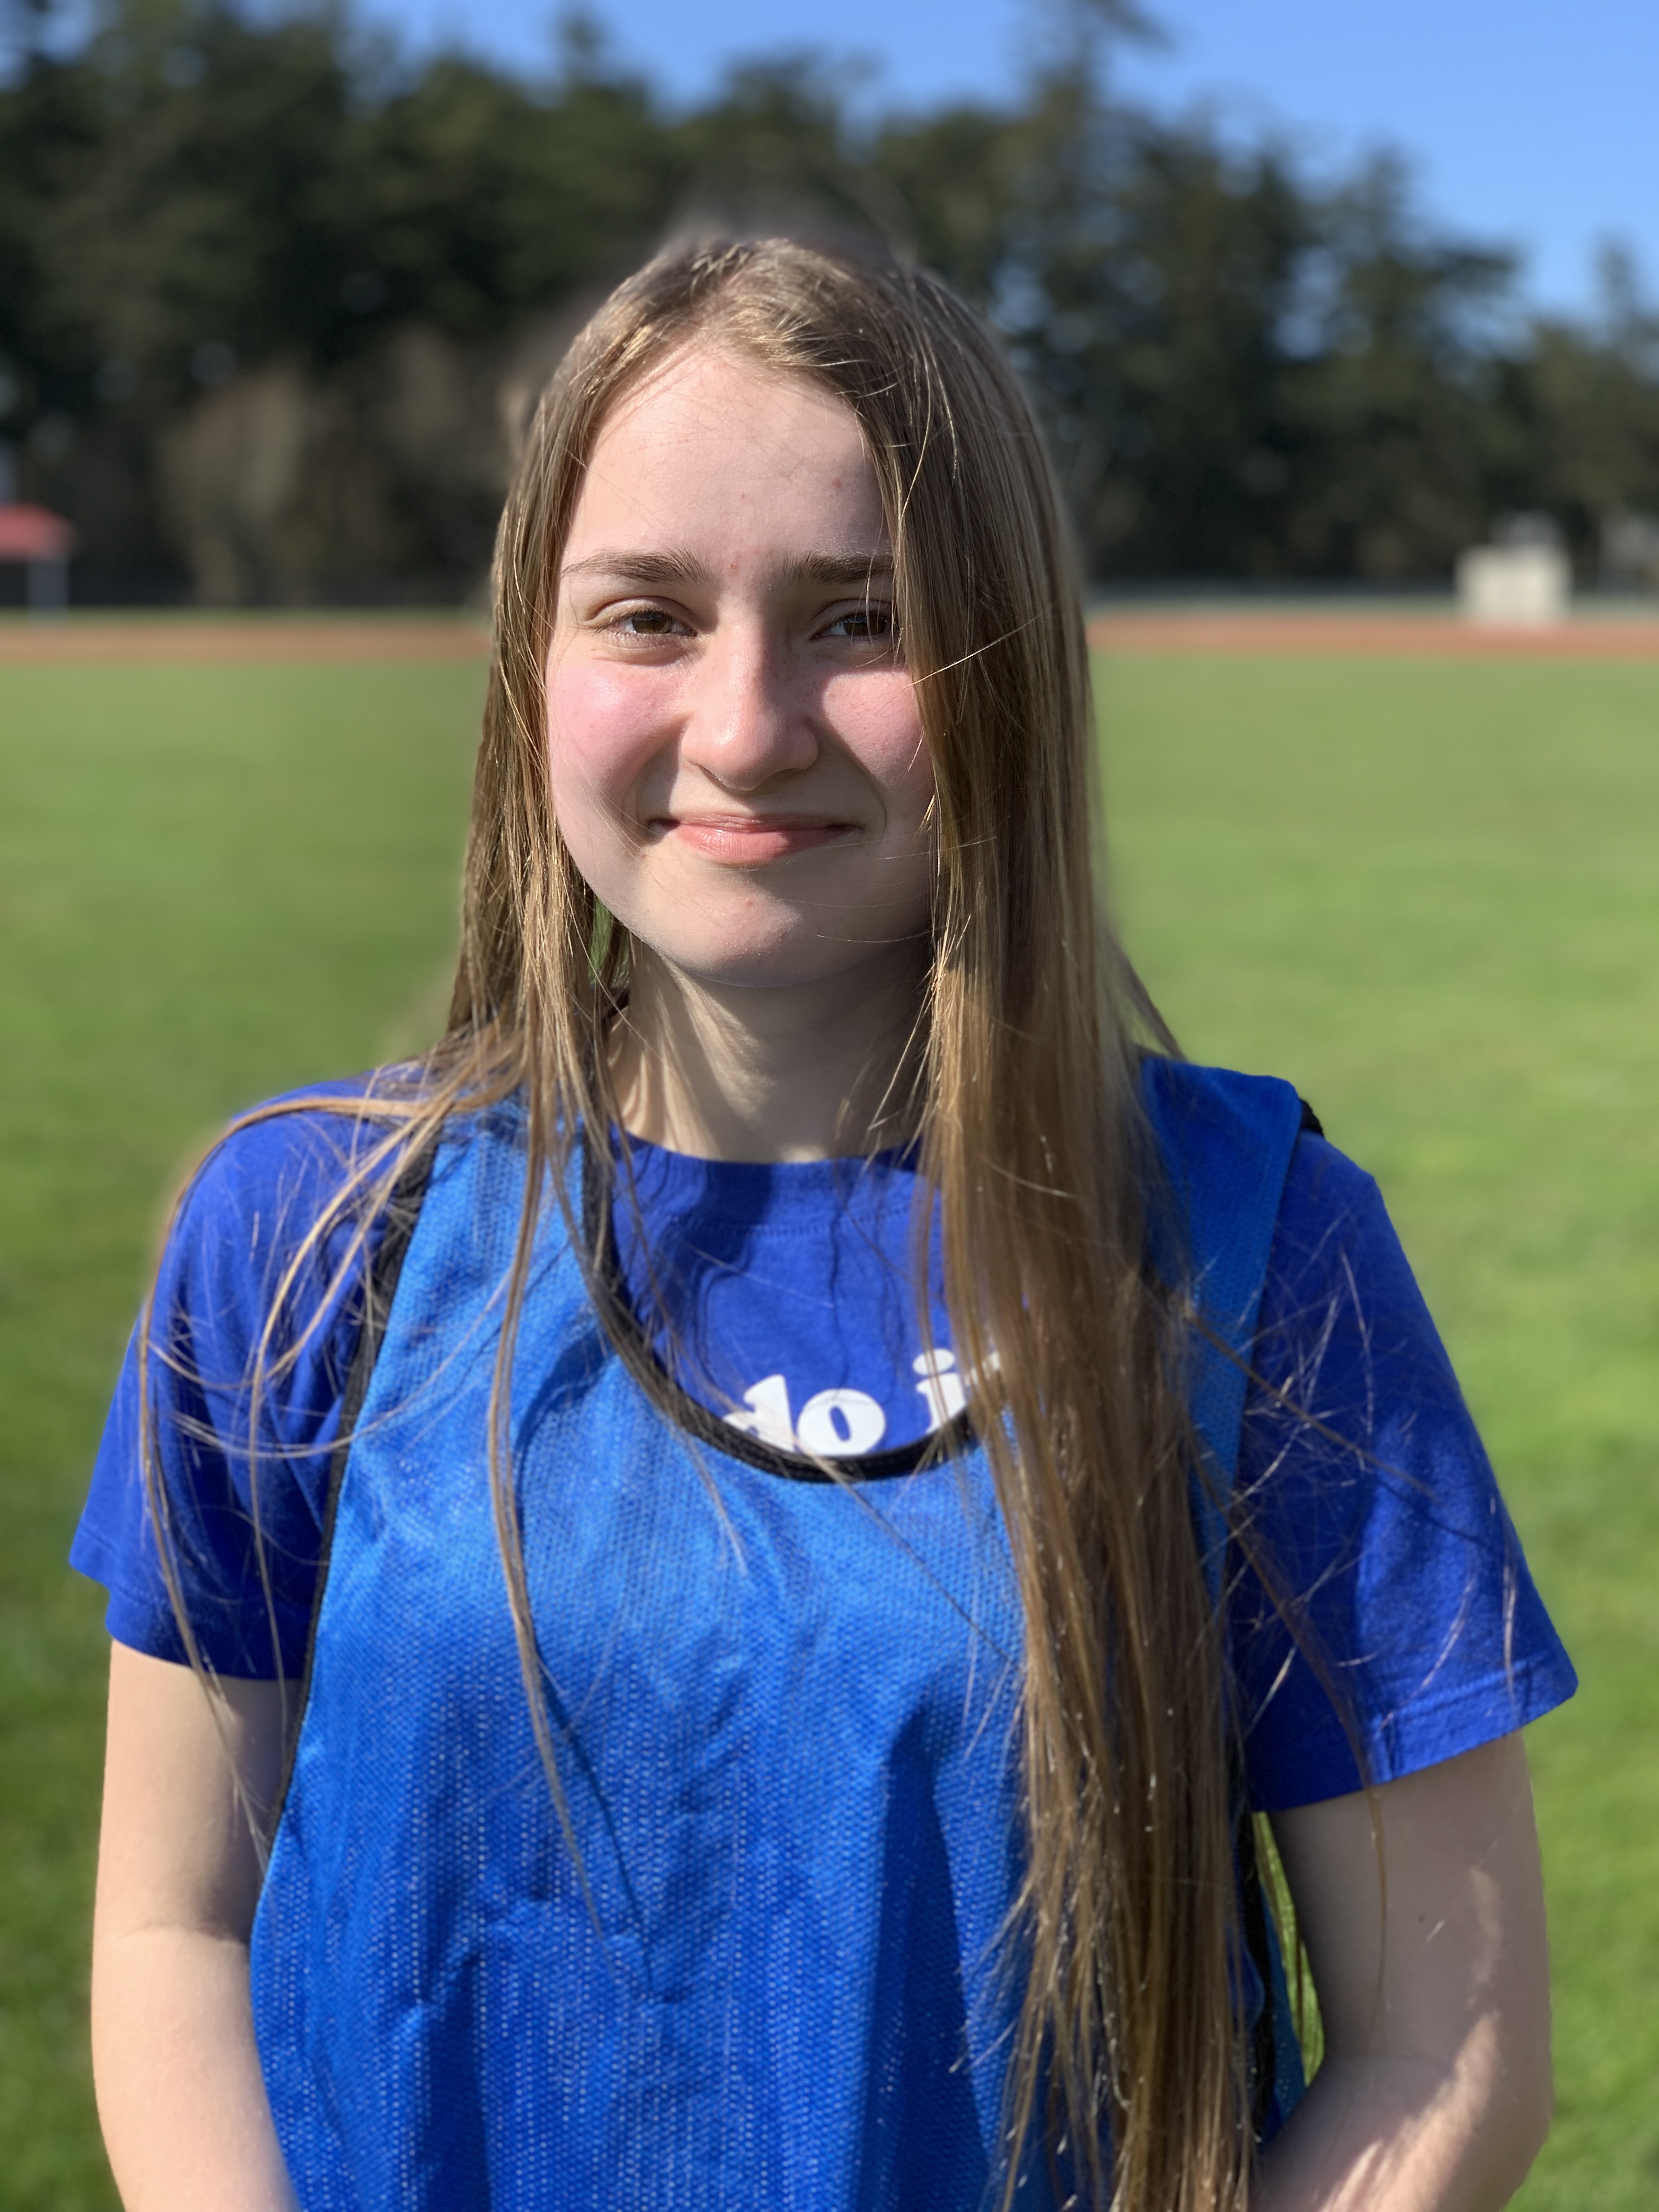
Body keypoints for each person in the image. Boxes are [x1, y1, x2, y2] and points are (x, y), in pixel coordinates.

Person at [74, 237, 1575, 2212]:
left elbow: (1443, 2041)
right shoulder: (308, 1235)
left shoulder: (1248, 1245)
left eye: (863, 618)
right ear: (533, 662)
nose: (747, 724)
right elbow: (170, 1930)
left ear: (1006, 663)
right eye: (649, 615)